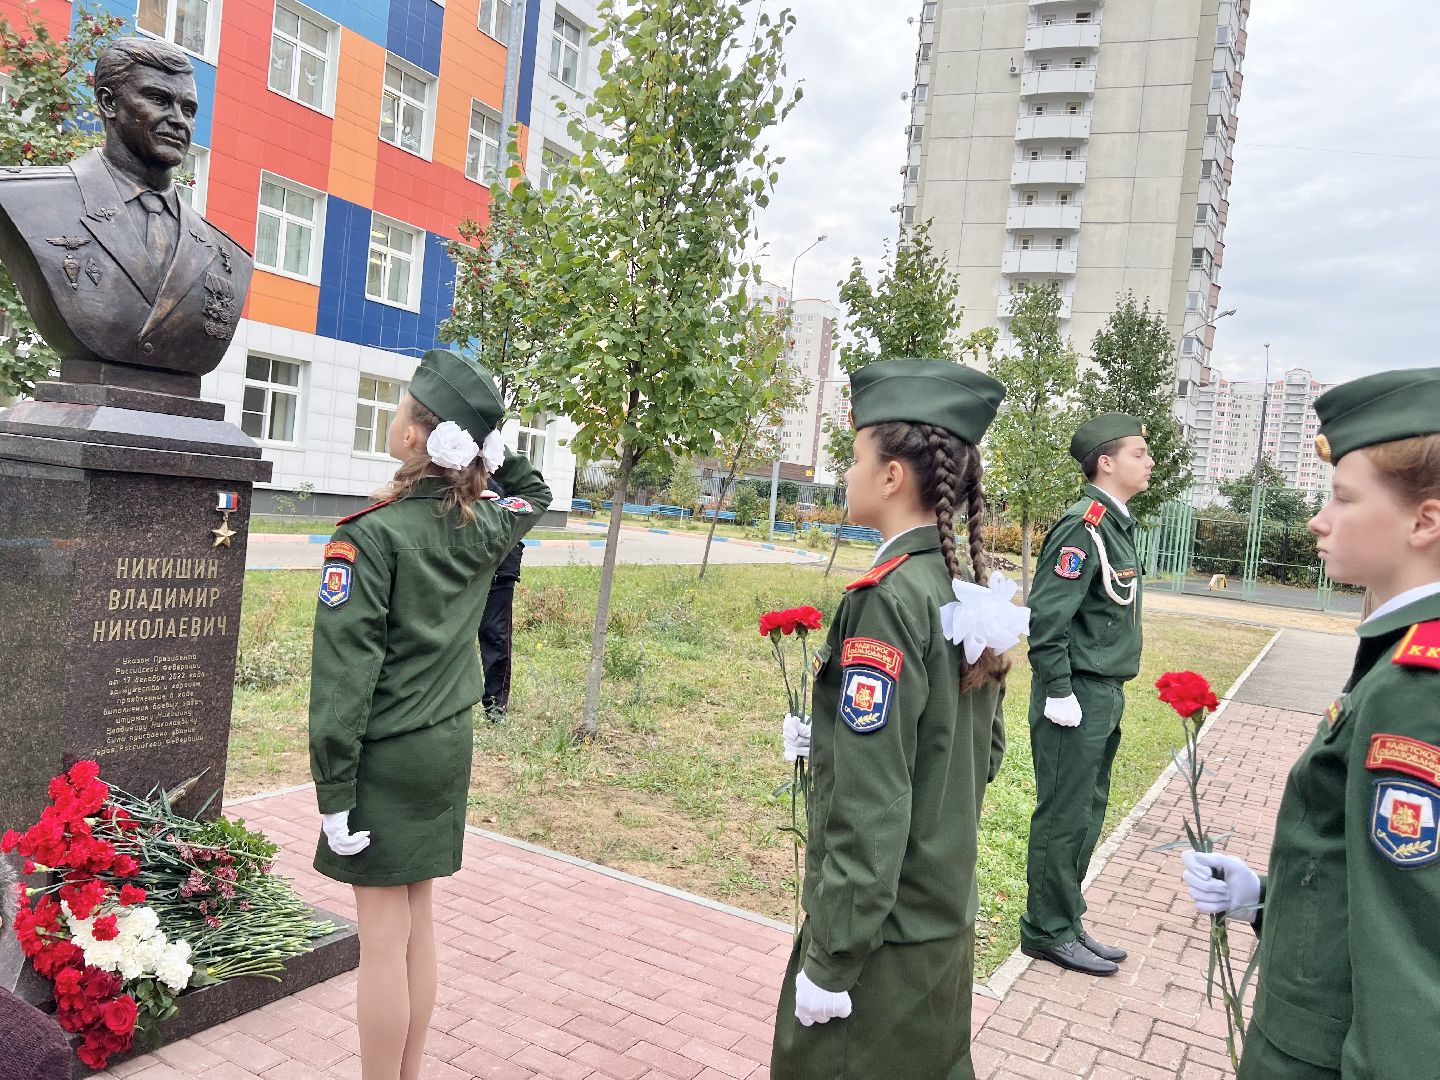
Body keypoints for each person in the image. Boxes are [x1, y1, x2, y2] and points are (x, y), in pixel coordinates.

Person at [770, 358, 1029, 1080]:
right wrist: (828, 741)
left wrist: (833, 955)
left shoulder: (885, 597)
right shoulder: (956, 587)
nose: (846, 474)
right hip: (939, 921)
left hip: (878, 945)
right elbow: (980, 751)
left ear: (891, 477)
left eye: (854, 457)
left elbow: (869, 800)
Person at [1181, 367, 1440, 1079]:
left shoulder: (1416, 689)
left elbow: (1412, 958)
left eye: (1342, 499)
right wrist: (1267, 900)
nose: (1319, 521)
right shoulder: (1397, 654)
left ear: (1425, 521)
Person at [308, 349, 551, 1080]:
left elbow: (344, 684)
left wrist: (332, 791)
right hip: (447, 746)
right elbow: (531, 489)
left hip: (386, 755)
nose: (394, 417)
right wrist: (490, 450)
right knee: (416, 921)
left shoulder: (367, 537)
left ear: (418, 438)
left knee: (382, 936)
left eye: (403, 408)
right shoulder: (483, 525)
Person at [0, 37, 252, 394]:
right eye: (158, 99)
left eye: (189, 109)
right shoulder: (24, 199)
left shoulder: (229, 257)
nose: (179, 121)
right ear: (108, 102)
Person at [1019, 413, 1153, 975]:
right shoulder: (1084, 527)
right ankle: (1046, 931)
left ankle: (1066, 919)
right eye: (1140, 453)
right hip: (1075, 695)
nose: (1149, 462)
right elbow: (1047, 616)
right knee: (1064, 815)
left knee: (1088, 812)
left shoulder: (1114, 526)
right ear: (1106, 461)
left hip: (1104, 692)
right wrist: (1057, 688)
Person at [478, 476, 524, 719]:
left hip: (500, 566)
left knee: (494, 634)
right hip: (462, 566)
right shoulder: (450, 463)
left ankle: (495, 705)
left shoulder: (508, 473)